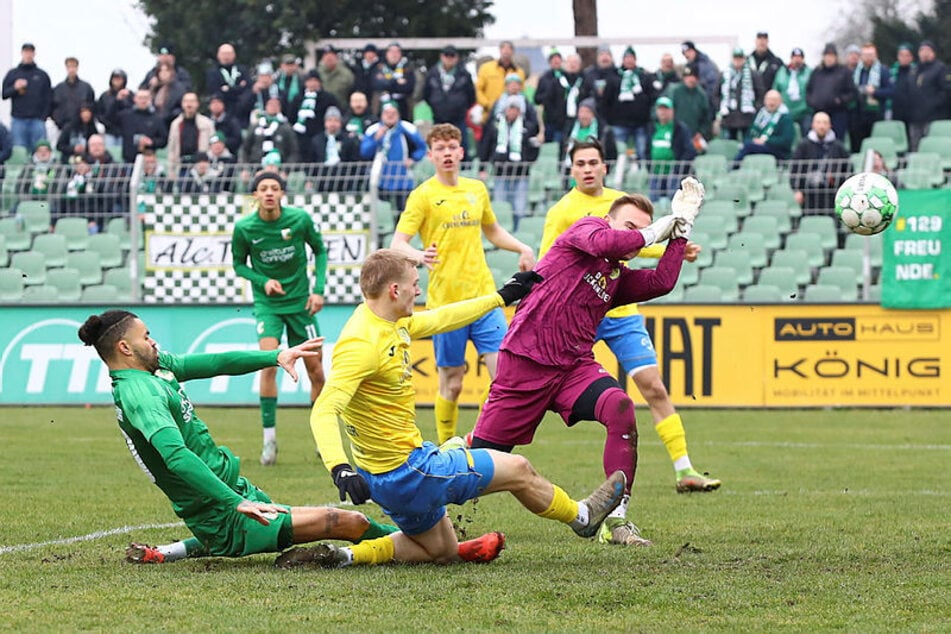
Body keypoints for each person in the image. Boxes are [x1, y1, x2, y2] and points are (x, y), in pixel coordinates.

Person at [294, 248, 626, 568]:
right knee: (519, 469)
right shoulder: (363, 345)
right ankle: (582, 516)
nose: (419, 290)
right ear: (394, 290)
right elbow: (324, 409)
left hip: (384, 479)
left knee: (441, 551)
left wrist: (500, 297)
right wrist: (340, 468)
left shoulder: (383, 318)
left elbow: (441, 318)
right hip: (411, 472)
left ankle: (345, 556)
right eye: (414, 284)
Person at [470, 184, 702, 547]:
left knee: (621, 406)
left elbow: (661, 281)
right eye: (629, 226)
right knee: (479, 465)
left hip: (572, 368)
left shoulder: (615, 277)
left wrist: (682, 228)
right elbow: (611, 244)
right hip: (525, 362)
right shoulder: (585, 230)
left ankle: (615, 520)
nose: (635, 238)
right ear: (607, 219)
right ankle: (432, 488)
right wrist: (659, 228)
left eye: (641, 230)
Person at [75, 309, 402, 566]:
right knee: (351, 522)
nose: (154, 342)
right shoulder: (140, 394)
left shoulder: (155, 369)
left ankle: (169, 551)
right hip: (222, 510)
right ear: (124, 347)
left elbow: (216, 362)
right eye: (146, 337)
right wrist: (236, 503)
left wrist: (275, 356)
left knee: (322, 521)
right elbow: (175, 457)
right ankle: (416, 544)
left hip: (230, 494)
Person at [539, 139, 716, 500]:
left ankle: (685, 469)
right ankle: (479, 444)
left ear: (605, 166)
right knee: (537, 392)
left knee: (653, 386)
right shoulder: (562, 211)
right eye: (580, 163)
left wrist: (676, 250)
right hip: (579, 314)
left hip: (618, 308)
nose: (587, 169)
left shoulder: (624, 203)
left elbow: (635, 241)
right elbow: (549, 259)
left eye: (593, 162)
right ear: (571, 170)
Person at [390, 123, 535, 444]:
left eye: (452, 147)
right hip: (447, 306)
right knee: (452, 384)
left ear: (461, 151)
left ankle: (479, 440)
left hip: (484, 299)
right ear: (430, 155)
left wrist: (522, 247)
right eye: (440, 149)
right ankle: (445, 446)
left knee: (504, 378)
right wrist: (418, 254)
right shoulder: (423, 195)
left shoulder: (476, 189)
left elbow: (492, 230)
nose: (447, 154)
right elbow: (397, 243)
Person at [479, 96, 540, 230]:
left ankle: (518, 231)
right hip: (500, 172)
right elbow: (486, 146)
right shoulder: (495, 126)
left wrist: (527, 161)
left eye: (515, 109)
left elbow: (534, 146)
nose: (512, 112)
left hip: (521, 173)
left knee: (519, 207)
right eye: (510, 108)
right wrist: (482, 167)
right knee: (500, 205)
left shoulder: (528, 127)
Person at [359, 101, 426, 215]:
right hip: (380, 179)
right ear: (381, 114)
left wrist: (413, 159)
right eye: (387, 113)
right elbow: (364, 152)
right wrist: (376, 139)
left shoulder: (407, 128)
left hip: (402, 178)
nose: (390, 116)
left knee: (403, 212)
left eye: (393, 113)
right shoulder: (373, 130)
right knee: (382, 212)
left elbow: (422, 147)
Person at [789, 111, 850, 212]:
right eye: (818, 122)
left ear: (830, 125)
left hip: (833, 194)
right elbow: (795, 170)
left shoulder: (838, 146)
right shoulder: (803, 145)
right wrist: (797, 190)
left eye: (825, 123)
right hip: (808, 194)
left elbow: (848, 169)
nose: (822, 126)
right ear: (813, 125)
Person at [423, 45, 476, 158]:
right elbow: (426, 94)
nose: (449, 58)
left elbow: (471, 96)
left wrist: (460, 107)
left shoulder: (465, 75)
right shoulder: (432, 74)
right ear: (441, 57)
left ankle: (462, 171)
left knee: (461, 147)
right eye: (446, 55)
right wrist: (436, 105)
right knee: (438, 146)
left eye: (452, 56)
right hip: (438, 118)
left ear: (456, 58)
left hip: (459, 119)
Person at [604, 46, 656, 160]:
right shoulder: (614, 78)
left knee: (642, 152)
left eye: (631, 57)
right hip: (619, 123)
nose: (629, 60)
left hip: (640, 124)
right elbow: (606, 100)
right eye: (626, 58)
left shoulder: (644, 77)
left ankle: (642, 175)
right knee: (620, 154)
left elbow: (652, 98)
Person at [2, 43, 53, 151]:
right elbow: (4, 94)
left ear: (34, 54)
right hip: (18, 121)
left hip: (37, 121)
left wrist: (43, 117)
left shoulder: (42, 75)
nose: (28, 55)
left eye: (30, 52)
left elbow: (49, 98)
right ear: (22, 53)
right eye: (26, 52)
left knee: (40, 151)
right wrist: (15, 88)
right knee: (19, 151)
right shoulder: (13, 74)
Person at [646, 98, 696, 200]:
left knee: (674, 201)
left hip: (674, 173)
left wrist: (678, 168)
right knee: (652, 202)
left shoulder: (680, 128)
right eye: (660, 109)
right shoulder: (651, 127)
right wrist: (649, 165)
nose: (662, 112)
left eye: (666, 109)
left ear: (672, 111)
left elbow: (690, 150)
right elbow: (647, 148)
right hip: (655, 171)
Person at [805, 43, 857, 142]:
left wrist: (840, 100)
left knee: (837, 141)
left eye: (832, 56)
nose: (829, 59)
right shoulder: (816, 72)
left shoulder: (844, 72)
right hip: (819, 112)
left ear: (836, 57)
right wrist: (812, 101)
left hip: (838, 113)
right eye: (827, 56)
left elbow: (852, 92)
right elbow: (809, 90)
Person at [849, 43, 893, 151]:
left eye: (871, 55)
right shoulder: (855, 72)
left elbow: (891, 91)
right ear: (861, 56)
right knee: (857, 146)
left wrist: (875, 92)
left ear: (876, 55)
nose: (868, 57)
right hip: (857, 114)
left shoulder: (883, 71)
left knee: (875, 146)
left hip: (876, 114)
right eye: (866, 55)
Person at [290, 69, 340, 162]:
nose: (312, 83)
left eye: (315, 81)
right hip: (300, 137)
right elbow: (291, 116)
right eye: (309, 81)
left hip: (319, 136)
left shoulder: (328, 98)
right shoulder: (298, 98)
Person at [906, 40, 948, 152]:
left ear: (933, 53)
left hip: (933, 117)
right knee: (915, 147)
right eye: (922, 50)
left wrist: (932, 104)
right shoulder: (914, 70)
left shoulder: (940, 69)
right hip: (915, 118)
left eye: (928, 50)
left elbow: (945, 92)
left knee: (932, 147)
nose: (925, 53)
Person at [534, 51, 583, 145]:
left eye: (575, 63)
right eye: (570, 62)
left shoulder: (584, 80)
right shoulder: (556, 81)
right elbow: (547, 100)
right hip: (559, 124)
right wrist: (556, 116)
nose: (572, 65)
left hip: (578, 122)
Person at [108, 88, 168, 163]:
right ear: (135, 99)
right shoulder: (126, 115)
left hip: (148, 162)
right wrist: (117, 101)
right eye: (140, 98)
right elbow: (109, 119)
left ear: (150, 99)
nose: (143, 101)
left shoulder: (157, 118)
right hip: (128, 161)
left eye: (146, 98)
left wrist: (151, 142)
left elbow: (164, 140)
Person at [735, 89, 795, 161]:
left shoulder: (785, 117)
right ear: (764, 101)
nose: (771, 103)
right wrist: (754, 141)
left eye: (775, 100)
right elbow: (749, 134)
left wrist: (765, 141)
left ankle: (734, 167)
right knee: (746, 144)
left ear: (780, 102)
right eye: (769, 100)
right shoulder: (760, 115)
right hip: (759, 147)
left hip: (778, 151)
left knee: (749, 147)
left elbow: (786, 141)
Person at [240, 95, 299, 166]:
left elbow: (293, 150)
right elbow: (245, 148)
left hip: (278, 167)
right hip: (256, 166)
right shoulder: (256, 126)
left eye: (276, 105)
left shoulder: (286, 127)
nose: (273, 107)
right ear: (266, 106)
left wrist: (286, 170)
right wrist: (245, 168)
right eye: (270, 104)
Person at [166, 91, 215, 176]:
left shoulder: (207, 123)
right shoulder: (176, 124)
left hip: (201, 165)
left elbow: (213, 144)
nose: (189, 104)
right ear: (182, 104)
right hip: (181, 165)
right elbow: (172, 148)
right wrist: (171, 169)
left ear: (197, 104)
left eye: (192, 101)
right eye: (186, 101)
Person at [476, 41, 525, 124]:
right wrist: (487, 105)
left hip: (512, 117)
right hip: (489, 115)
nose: (506, 51)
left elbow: (521, 92)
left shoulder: (519, 72)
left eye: (509, 49)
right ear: (500, 50)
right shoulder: (486, 68)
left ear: (513, 51)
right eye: (504, 48)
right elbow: (478, 90)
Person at [206, 43, 252, 128]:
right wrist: (238, 88)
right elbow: (215, 92)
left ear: (234, 55)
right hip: (223, 114)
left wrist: (228, 89)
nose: (226, 56)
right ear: (218, 55)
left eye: (229, 54)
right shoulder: (212, 73)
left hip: (242, 114)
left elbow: (248, 89)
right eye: (223, 54)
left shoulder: (243, 70)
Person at [772, 48, 813, 137]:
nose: (797, 60)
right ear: (791, 58)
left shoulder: (809, 72)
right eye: (795, 57)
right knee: (785, 135)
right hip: (786, 111)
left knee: (807, 133)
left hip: (804, 111)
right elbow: (776, 90)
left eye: (799, 57)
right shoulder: (782, 71)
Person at [50, 57, 95, 137]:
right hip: (63, 128)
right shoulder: (59, 88)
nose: (71, 69)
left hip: (81, 130)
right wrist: (58, 121)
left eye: (74, 66)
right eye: (69, 66)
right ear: (66, 68)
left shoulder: (86, 87)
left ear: (77, 68)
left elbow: (92, 106)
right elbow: (53, 107)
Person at [718, 48, 756, 141]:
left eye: (740, 58)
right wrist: (721, 106)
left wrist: (754, 107)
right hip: (729, 118)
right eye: (736, 58)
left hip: (747, 117)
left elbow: (760, 94)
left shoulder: (753, 74)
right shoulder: (724, 74)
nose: (738, 61)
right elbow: (716, 94)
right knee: (729, 145)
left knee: (747, 144)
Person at [372, 42, 416, 120]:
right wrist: (396, 82)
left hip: (403, 107)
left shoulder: (407, 68)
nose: (394, 54)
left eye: (397, 52)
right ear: (387, 54)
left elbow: (408, 87)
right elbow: (376, 85)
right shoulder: (379, 67)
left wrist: (387, 82)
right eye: (391, 51)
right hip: (381, 106)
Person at [96, 69, 131, 150]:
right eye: (115, 79)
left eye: (119, 79)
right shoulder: (104, 96)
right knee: (110, 154)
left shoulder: (129, 95)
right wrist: (107, 124)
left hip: (125, 132)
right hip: (109, 132)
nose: (117, 81)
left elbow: (132, 112)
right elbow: (99, 113)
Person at [747, 32, 783, 107]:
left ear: (767, 41)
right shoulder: (746, 61)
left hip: (770, 105)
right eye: (759, 39)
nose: (762, 42)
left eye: (764, 39)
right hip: (749, 105)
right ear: (756, 41)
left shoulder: (776, 62)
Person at [680, 41, 720, 110]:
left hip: (706, 103)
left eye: (689, 51)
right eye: (685, 53)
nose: (687, 55)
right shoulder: (688, 66)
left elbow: (712, 85)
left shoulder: (706, 65)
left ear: (694, 51)